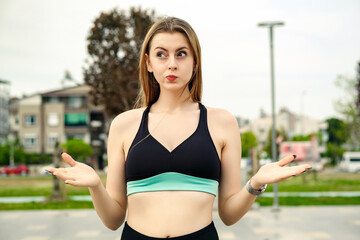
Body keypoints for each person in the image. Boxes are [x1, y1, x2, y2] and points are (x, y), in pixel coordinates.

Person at [47, 17, 311, 240]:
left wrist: (255, 183)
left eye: (181, 53)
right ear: (149, 63)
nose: (171, 63)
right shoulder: (124, 124)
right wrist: (96, 185)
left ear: (195, 62)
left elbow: (229, 215)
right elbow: (113, 220)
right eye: (161, 54)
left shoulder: (222, 122)